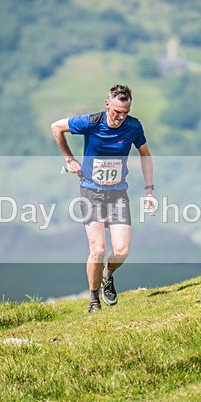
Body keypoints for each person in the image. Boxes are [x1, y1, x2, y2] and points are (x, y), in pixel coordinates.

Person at [51, 84, 155, 313]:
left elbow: (145, 154)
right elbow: (56, 127)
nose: (120, 117)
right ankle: (93, 300)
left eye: (125, 112)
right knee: (97, 249)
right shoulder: (92, 122)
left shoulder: (133, 127)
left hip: (118, 194)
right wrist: (69, 159)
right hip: (91, 192)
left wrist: (149, 191)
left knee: (122, 250)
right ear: (108, 104)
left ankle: (108, 273)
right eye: (117, 111)